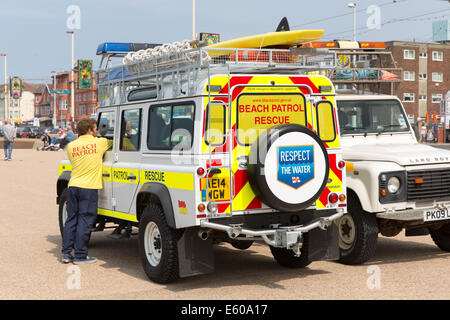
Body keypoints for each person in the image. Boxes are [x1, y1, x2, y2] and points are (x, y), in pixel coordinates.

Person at [61, 118, 113, 264]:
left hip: (73, 186)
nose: (97, 131)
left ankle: (66, 253)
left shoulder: (71, 146)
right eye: (96, 129)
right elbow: (116, 143)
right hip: (88, 188)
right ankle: (80, 255)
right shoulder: (100, 143)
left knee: (71, 219)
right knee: (85, 220)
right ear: (90, 130)